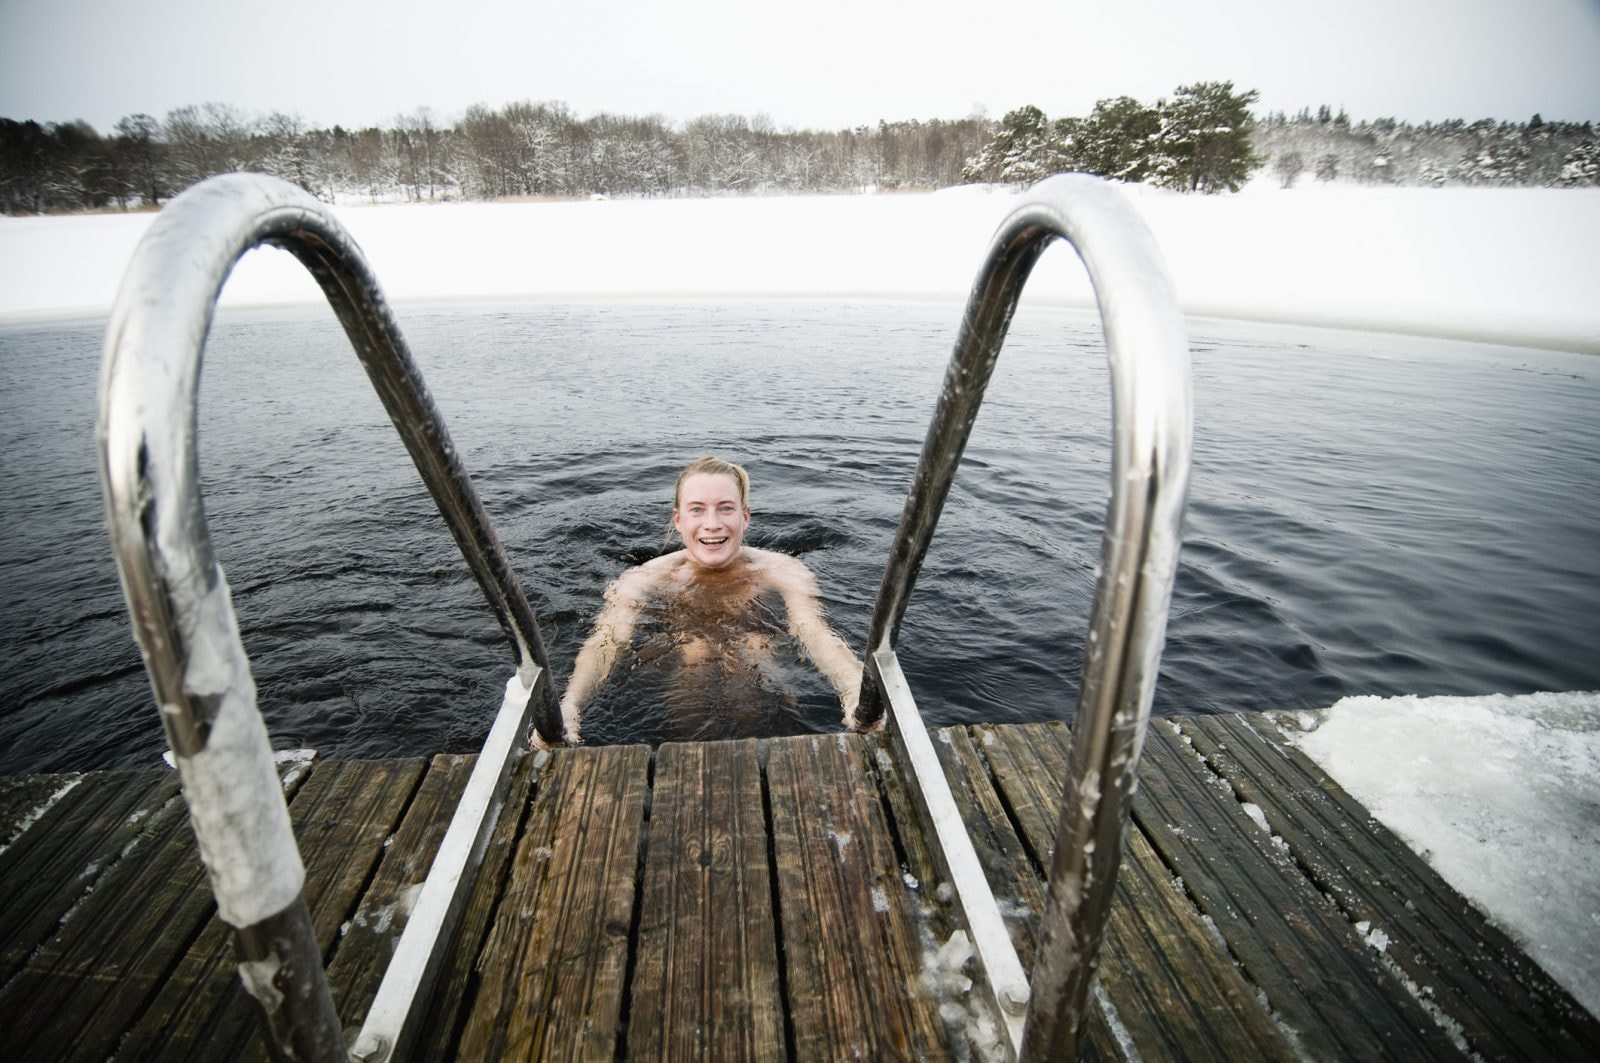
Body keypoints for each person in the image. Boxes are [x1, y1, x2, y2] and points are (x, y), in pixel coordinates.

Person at [550, 455, 864, 745]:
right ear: (678, 520)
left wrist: (854, 691)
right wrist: (571, 705)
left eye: (725, 508)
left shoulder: (781, 569)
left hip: (759, 658)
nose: (712, 523)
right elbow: (607, 641)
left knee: (756, 647)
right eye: (697, 509)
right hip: (681, 663)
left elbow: (814, 632)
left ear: (745, 517)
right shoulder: (645, 577)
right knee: (694, 648)